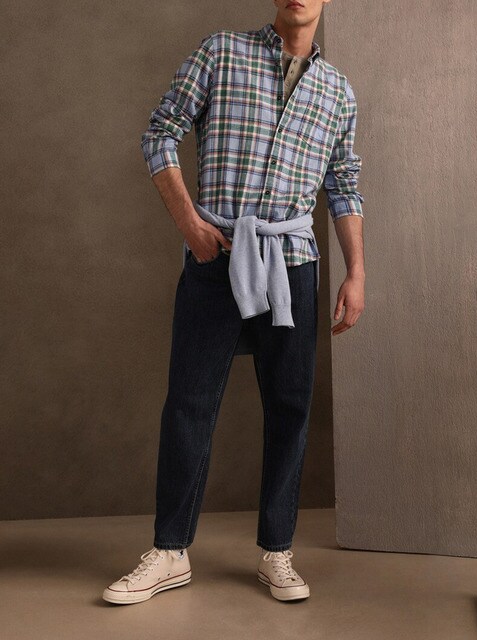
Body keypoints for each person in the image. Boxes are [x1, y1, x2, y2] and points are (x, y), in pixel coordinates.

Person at [103, 0, 365, 605]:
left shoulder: (338, 92)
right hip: (217, 253)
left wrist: (356, 271)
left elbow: (344, 183)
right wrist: (189, 224)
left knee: (290, 407)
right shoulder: (220, 52)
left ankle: (277, 551)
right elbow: (160, 133)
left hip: (293, 263)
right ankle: (170, 551)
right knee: (189, 403)